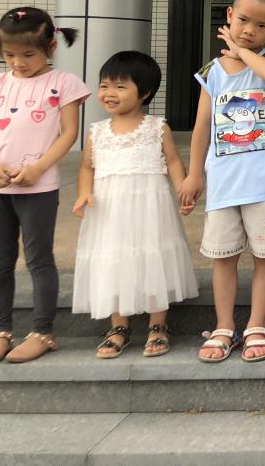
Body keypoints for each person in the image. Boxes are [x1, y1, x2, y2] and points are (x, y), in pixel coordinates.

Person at [181, 0, 265, 364]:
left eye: (261, 26)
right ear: (229, 15)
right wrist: (194, 174)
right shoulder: (212, 72)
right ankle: (224, 325)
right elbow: (201, 127)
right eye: (243, 20)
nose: (249, 30)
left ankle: (257, 324)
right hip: (224, 185)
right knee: (223, 257)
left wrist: (241, 51)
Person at [71, 51, 198, 359]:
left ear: (145, 92)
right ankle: (118, 326)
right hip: (109, 211)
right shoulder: (97, 132)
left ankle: (158, 324)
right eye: (104, 85)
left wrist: (183, 189)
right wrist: (84, 192)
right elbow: (87, 167)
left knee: (153, 257)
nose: (109, 93)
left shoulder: (156, 127)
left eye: (120, 86)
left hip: (150, 208)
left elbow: (172, 161)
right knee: (113, 260)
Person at [0, 8, 88, 364]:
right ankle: (0, 331)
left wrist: (38, 168)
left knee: (38, 259)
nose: (18, 63)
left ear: (51, 47)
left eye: (28, 54)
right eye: (9, 55)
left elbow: (69, 133)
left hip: (39, 188)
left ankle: (43, 332)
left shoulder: (64, 83)